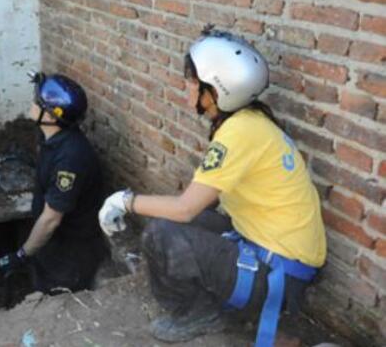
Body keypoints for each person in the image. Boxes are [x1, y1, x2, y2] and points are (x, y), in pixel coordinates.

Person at [98, 28, 326, 347]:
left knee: (161, 234)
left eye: (193, 82)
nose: (186, 88)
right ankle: (219, 305)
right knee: (170, 226)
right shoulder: (251, 122)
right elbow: (199, 202)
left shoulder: (239, 132)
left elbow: (186, 207)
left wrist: (125, 201)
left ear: (217, 90)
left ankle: (198, 314)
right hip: (274, 252)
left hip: (279, 273)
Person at [0, 72, 107, 294]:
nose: (32, 102)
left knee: (55, 299)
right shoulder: (52, 138)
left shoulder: (70, 159)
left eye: (38, 102)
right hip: (54, 243)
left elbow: (50, 220)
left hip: (70, 255)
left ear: (52, 115)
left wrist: (21, 255)